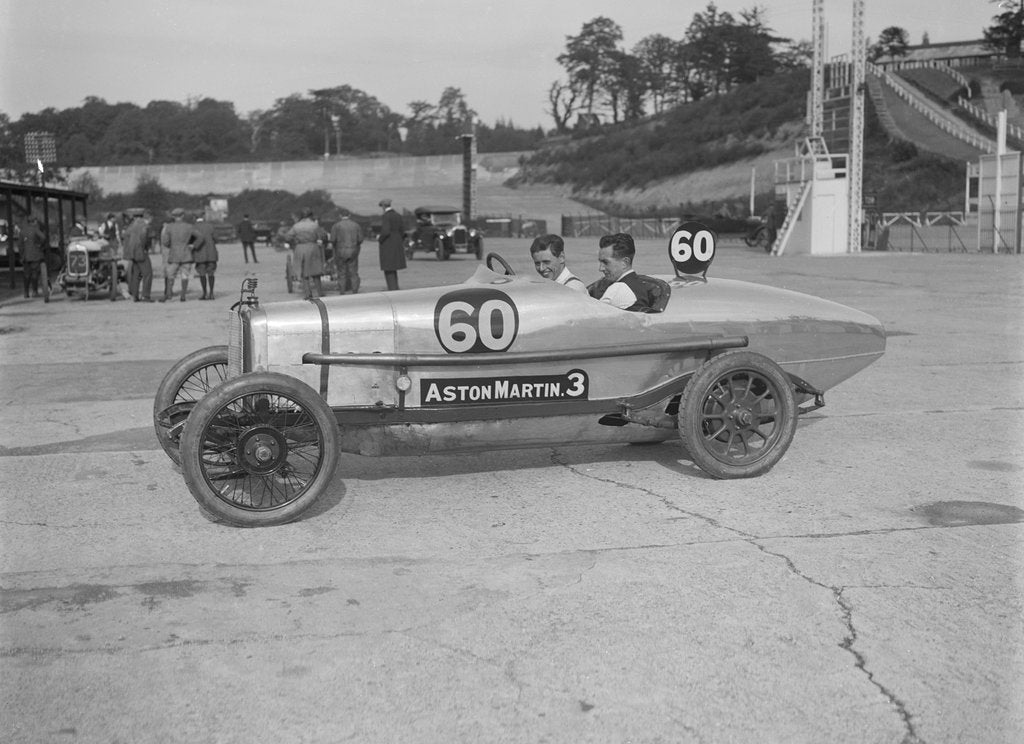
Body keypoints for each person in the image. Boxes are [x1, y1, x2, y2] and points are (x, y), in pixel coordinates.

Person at [596, 232, 651, 311]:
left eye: (605, 262)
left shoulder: (618, 289)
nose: (600, 268)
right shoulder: (639, 286)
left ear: (624, 262)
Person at [285, 207, 328, 300]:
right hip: (313, 247)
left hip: (300, 248)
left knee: (304, 272)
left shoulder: (296, 226)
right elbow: (323, 235)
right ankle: (320, 292)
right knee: (316, 271)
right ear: (311, 215)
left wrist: (295, 240)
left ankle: (308, 294)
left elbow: (288, 237)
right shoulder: (314, 225)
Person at [159, 207, 195, 302]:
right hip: (186, 254)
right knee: (185, 275)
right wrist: (193, 245)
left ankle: (169, 294)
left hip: (174, 254)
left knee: (171, 275)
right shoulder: (189, 226)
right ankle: (183, 296)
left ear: (173, 216)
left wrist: (172, 246)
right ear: (183, 216)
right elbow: (199, 237)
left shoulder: (169, 227)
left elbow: (165, 241)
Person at [329, 210, 363, 294]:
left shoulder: (336, 226)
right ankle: (355, 290)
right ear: (349, 215)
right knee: (354, 271)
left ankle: (342, 291)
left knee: (341, 272)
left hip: (340, 251)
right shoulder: (356, 225)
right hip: (353, 250)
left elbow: (332, 240)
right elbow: (360, 239)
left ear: (340, 215)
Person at [123, 212, 154, 302]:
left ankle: (135, 295)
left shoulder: (130, 226)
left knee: (136, 275)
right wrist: (146, 248)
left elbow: (125, 237)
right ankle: (146, 296)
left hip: (132, 254)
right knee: (148, 274)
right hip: (141, 252)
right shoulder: (144, 226)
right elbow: (145, 237)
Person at [377, 198, 406, 291]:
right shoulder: (398, 215)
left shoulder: (386, 216)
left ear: (384, 206)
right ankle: (395, 287)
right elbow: (402, 231)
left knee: (388, 268)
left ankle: (392, 289)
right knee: (394, 268)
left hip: (388, 244)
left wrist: (379, 239)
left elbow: (385, 231)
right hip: (397, 243)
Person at [190, 215, 219, 300]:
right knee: (211, 273)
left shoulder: (193, 227)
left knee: (202, 274)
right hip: (211, 253)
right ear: (203, 217)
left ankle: (204, 293)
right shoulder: (210, 226)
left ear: (195, 218)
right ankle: (211, 293)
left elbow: (191, 241)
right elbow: (216, 239)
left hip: (199, 253)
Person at [20, 215, 46, 301]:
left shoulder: (22, 231)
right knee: (35, 273)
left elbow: (20, 245)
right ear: (34, 221)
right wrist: (39, 245)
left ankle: (26, 293)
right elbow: (43, 237)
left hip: (26, 256)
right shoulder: (35, 229)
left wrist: (22, 255)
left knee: (26, 274)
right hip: (35, 255)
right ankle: (35, 292)